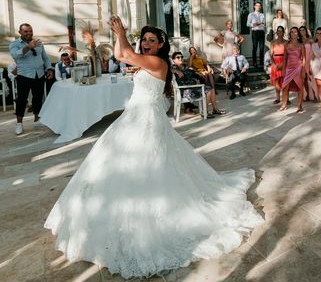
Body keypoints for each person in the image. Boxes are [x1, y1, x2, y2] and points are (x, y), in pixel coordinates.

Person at [44, 18, 261, 278]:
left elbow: (128, 54)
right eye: (144, 40)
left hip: (146, 120)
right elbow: (119, 55)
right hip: (133, 117)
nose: (146, 43)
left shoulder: (158, 63)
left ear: (160, 46)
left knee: (148, 166)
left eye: (151, 41)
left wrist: (123, 33)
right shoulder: (142, 60)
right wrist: (118, 36)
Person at [9, 23, 51, 135]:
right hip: (24, 75)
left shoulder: (39, 43)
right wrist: (28, 47)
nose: (29, 33)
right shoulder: (15, 44)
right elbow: (15, 55)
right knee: (21, 100)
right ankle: (19, 124)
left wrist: (49, 68)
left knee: (38, 97)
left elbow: (45, 58)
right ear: (20, 32)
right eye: (26, 31)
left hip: (39, 74)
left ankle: (37, 119)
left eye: (30, 31)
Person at [172, 51, 225, 116]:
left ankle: (215, 109)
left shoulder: (185, 66)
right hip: (186, 91)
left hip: (192, 88)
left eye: (181, 57)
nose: (181, 58)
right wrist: (175, 71)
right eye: (178, 57)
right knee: (208, 90)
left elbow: (192, 72)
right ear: (173, 60)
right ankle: (204, 112)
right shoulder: (174, 67)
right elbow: (168, 71)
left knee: (211, 89)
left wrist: (198, 73)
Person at [279, 27, 306, 113]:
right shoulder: (286, 44)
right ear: (290, 33)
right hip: (289, 67)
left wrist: (303, 71)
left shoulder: (301, 45)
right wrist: (283, 69)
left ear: (298, 34)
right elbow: (284, 58)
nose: (293, 33)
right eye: (292, 32)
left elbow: (304, 58)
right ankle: (284, 104)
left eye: (295, 32)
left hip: (298, 67)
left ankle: (299, 106)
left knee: (300, 87)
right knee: (285, 86)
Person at [299, 26, 318, 101]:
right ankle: (306, 95)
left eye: (303, 29)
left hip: (309, 61)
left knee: (311, 79)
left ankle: (315, 96)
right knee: (304, 79)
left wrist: (312, 62)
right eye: (300, 30)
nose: (302, 31)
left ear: (306, 30)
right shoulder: (299, 41)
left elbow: (314, 51)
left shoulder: (310, 40)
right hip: (301, 61)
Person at [269, 25, 287, 105]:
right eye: (278, 31)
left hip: (284, 61)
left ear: (283, 32)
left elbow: (287, 54)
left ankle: (286, 98)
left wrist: (283, 63)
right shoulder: (273, 42)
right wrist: (274, 64)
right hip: (275, 61)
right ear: (276, 32)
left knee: (285, 81)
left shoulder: (286, 42)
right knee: (276, 81)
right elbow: (271, 54)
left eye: (281, 31)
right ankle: (277, 98)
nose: (279, 32)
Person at [247, 1, 266, 68]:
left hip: (261, 32)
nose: (258, 7)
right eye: (257, 5)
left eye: (259, 6)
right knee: (255, 47)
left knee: (261, 48)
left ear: (260, 7)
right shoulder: (251, 14)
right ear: (254, 6)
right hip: (255, 32)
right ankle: (254, 62)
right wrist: (253, 24)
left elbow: (264, 24)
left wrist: (262, 24)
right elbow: (247, 24)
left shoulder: (262, 15)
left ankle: (261, 62)